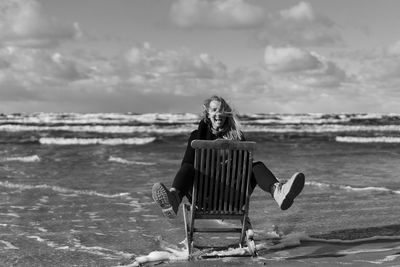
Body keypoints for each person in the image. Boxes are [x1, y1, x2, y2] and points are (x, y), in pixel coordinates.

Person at [152, 95, 305, 219]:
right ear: (207, 113)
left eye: (222, 110)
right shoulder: (200, 136)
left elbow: (245, 169)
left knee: (253, 165)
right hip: (213, 199)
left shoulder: (236, 136)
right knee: (254, 165)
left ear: (226, 113)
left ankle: (279, 192)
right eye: (214, 110)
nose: (219, 113)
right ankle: (173, 199)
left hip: (229, 197)